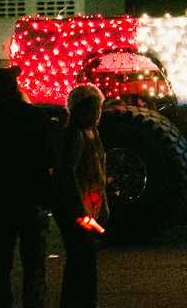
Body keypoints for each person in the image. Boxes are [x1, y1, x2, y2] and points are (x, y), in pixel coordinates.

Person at [0, 67, 56, 308]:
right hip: (32, 198)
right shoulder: (35, 117)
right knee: (34, 265)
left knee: (1, 265)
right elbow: (49, 158)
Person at [53, 85, 109, 308]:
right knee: (82, 257)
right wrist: (81, 211)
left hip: (88, 207)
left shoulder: (92, 134)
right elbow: (68, 173)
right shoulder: (76, 134)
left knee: (83, 258)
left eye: (98, 107)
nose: (96, 112)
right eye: (91, 107)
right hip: (78, 209)